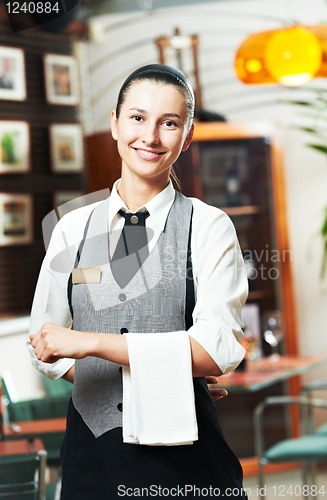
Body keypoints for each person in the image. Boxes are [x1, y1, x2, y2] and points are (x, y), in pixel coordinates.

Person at [28, 64, 248, 499]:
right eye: (137, 117)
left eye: (169, 123)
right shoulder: (71, 229)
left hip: (187, 457)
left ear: (186, 137)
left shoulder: (210, 226)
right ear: (114, 123)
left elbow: (215, 347)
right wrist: (158, 377)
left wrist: (90, 342)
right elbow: (46, 343)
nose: (150, 136)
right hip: (92, 456)